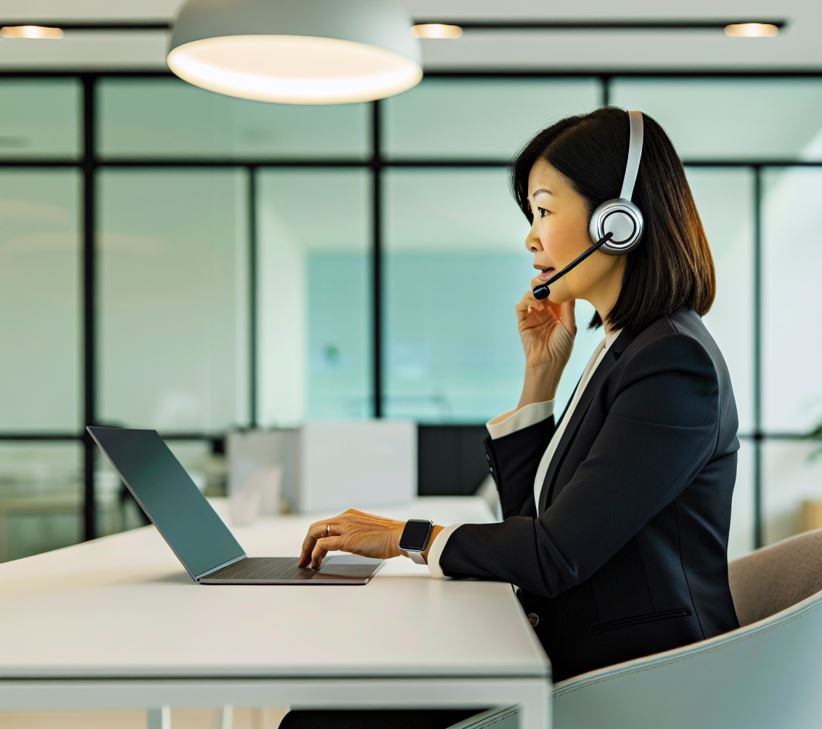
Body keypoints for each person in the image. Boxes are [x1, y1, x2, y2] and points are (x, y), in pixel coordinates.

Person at [280, 107, 740, 728]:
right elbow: (537, 527)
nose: (531, 238)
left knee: (325, 721)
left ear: (618, 223)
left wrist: (405, 536)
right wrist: (540, 379)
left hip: (633, 679)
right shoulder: (625, 349)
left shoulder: (672, 362)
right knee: (341, 700)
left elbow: (553, 556)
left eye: (545, 211)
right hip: (572, 650)